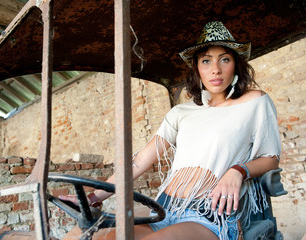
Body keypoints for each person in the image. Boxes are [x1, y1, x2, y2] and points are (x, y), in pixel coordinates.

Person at [61, 21, 281, 240]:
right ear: (197, 68)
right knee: (88, 234)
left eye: (225, 59)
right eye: (206, 61)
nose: (216, 69)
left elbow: (270, 158)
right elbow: (138, 163)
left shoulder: (254, 101)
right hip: (163, 209)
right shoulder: (181, 112)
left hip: (208, 216)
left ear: (236, 64)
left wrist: (238, 170)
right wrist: (93, 197)